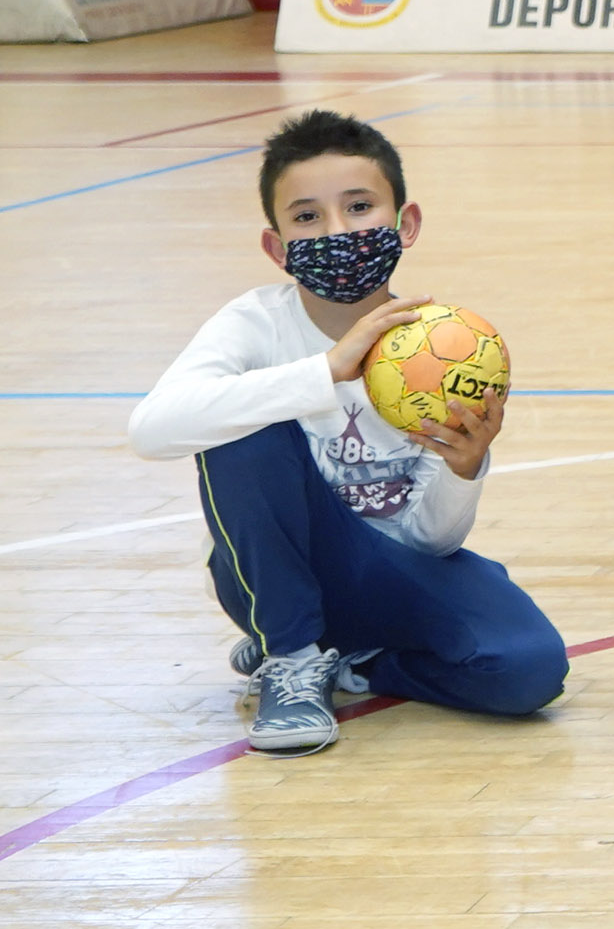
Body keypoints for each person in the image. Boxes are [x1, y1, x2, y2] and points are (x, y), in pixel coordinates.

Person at [129, 111, 565, 756]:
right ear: (277, 247)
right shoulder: (255, 324)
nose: (338, 230)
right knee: (240, 425)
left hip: (392, 570)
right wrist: (325, 371)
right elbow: (152, 429)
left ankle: (356, 664)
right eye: (307, 216)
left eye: (360, 207)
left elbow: (431, 541)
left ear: (405, 224)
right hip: (270, 573)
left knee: (528, 672)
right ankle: (291, 657)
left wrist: (463, 470)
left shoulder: (447, 347)